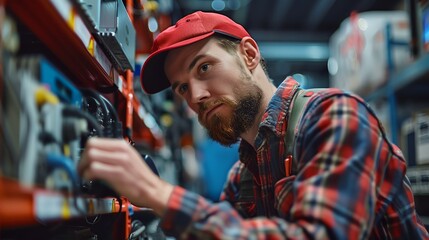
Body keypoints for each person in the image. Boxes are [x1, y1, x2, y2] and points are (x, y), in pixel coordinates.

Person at [78, 11, 429, 239]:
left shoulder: (335, 117)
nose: (195, 95)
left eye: (204, 68)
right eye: (182, 87)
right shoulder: (244, 177)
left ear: (248, 55)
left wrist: (160, 194)